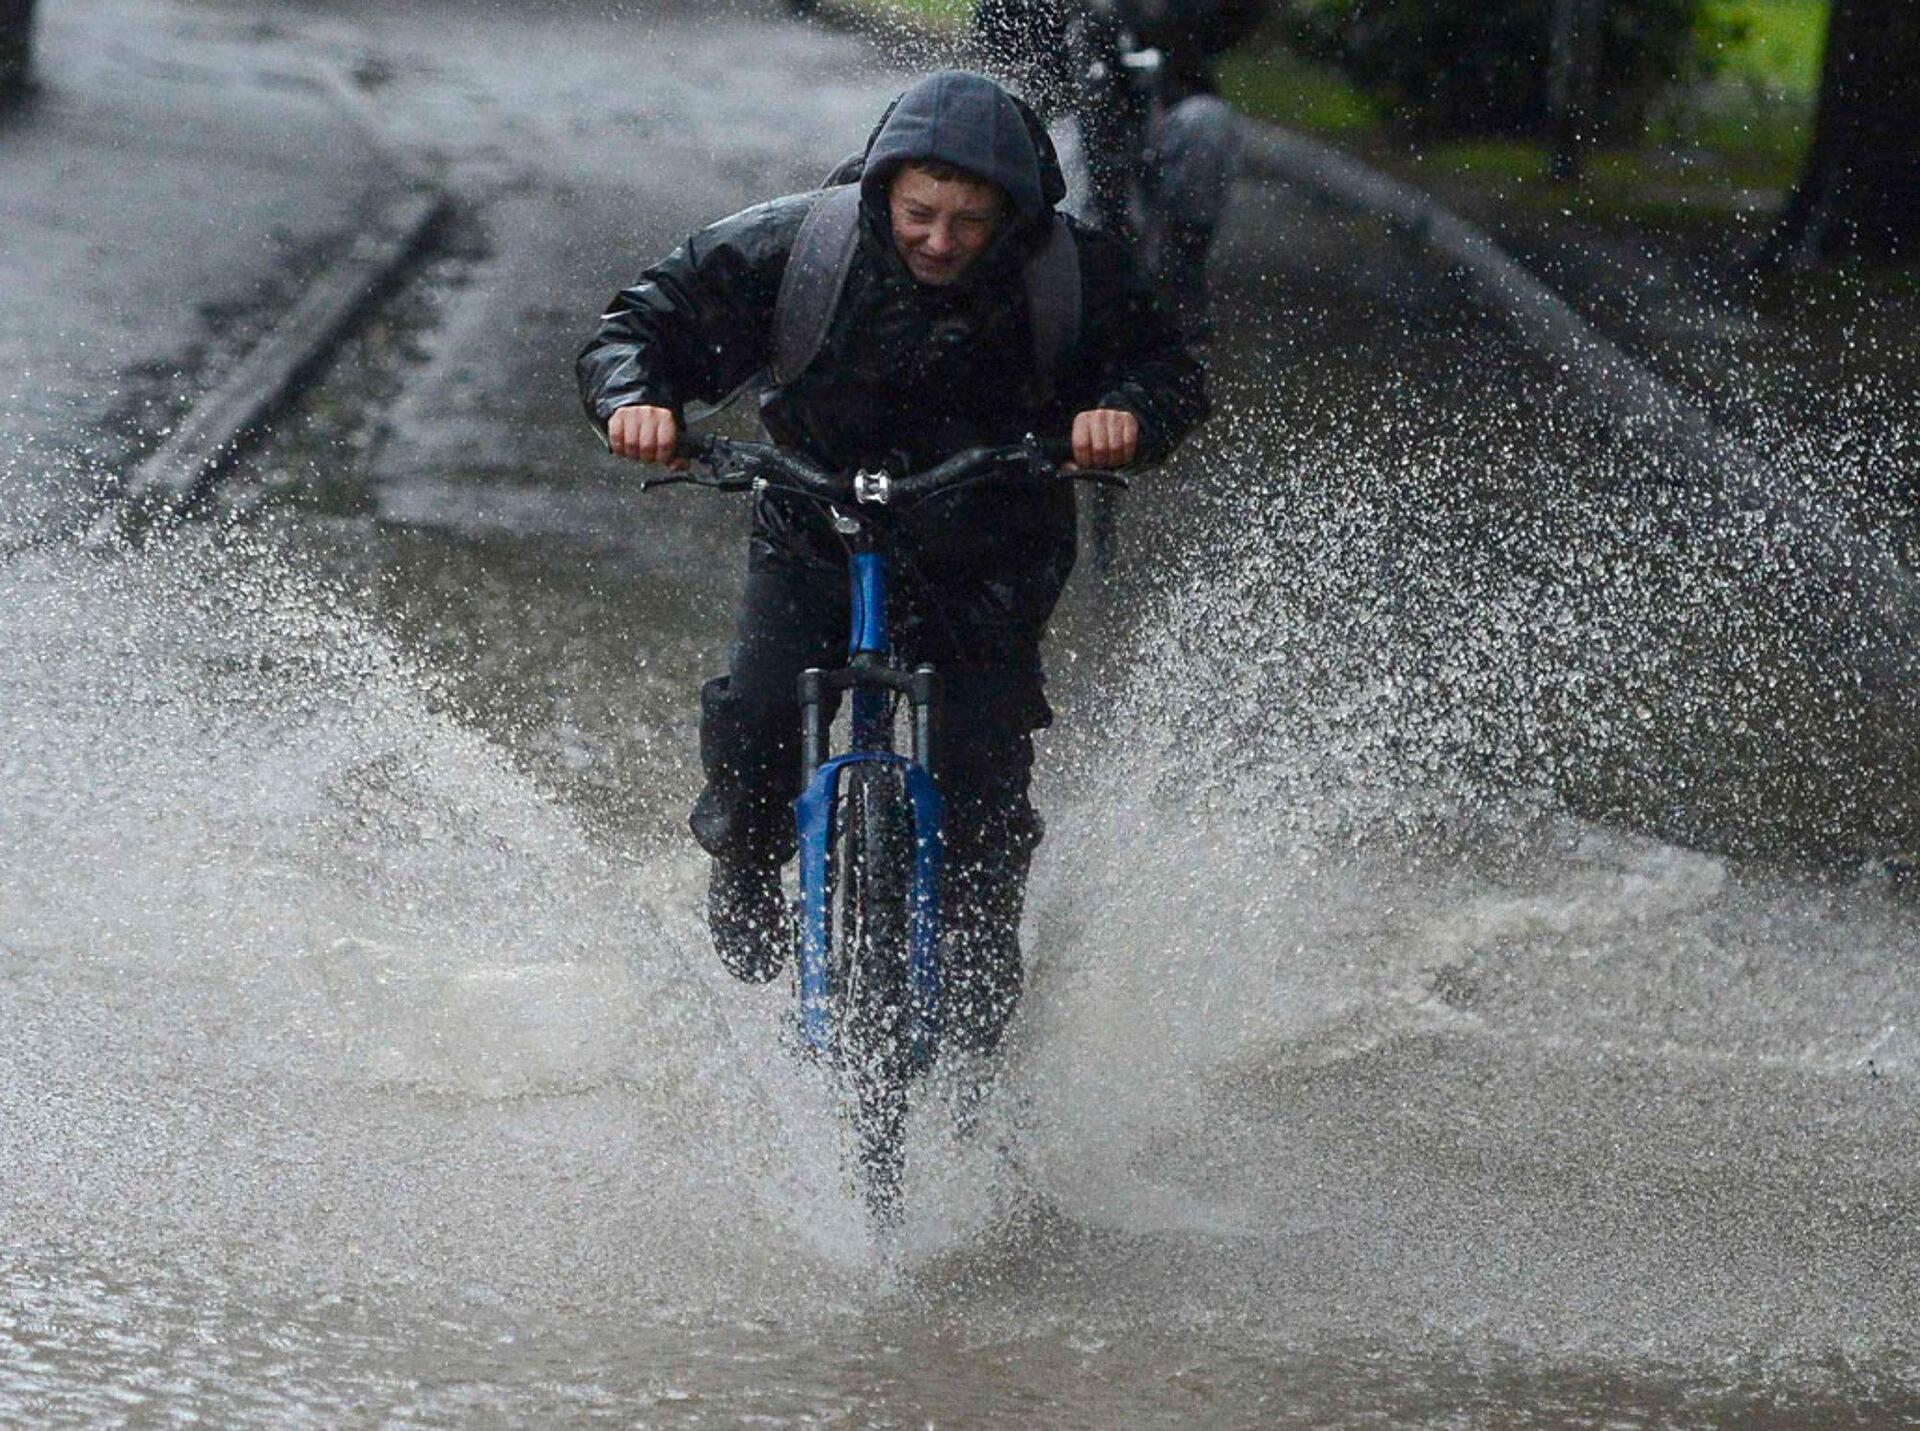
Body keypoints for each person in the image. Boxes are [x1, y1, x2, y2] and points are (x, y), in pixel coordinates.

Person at [577, 71, 1207, 1058]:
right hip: (814, 519)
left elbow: (1169, 368)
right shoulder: (799, 245)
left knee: (982, 758)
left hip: (992, 538)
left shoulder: (1071, 273)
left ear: (1014, 212)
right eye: (920, 214)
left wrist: (1127, 417)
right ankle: (744, 856)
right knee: (760, 707)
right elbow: (638, 327)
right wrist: (637, 403)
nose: (941, 241)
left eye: (969, 220)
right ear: (883, 194)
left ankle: (978, 951)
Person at [972, 0, 1265, 338]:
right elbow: (996, 32)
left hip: (1165, 109)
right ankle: (1064, 281)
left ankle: (1175, 285)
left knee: (1209, 127)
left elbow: (1228, 25)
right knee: (1062, 166)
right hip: (1071, 119)